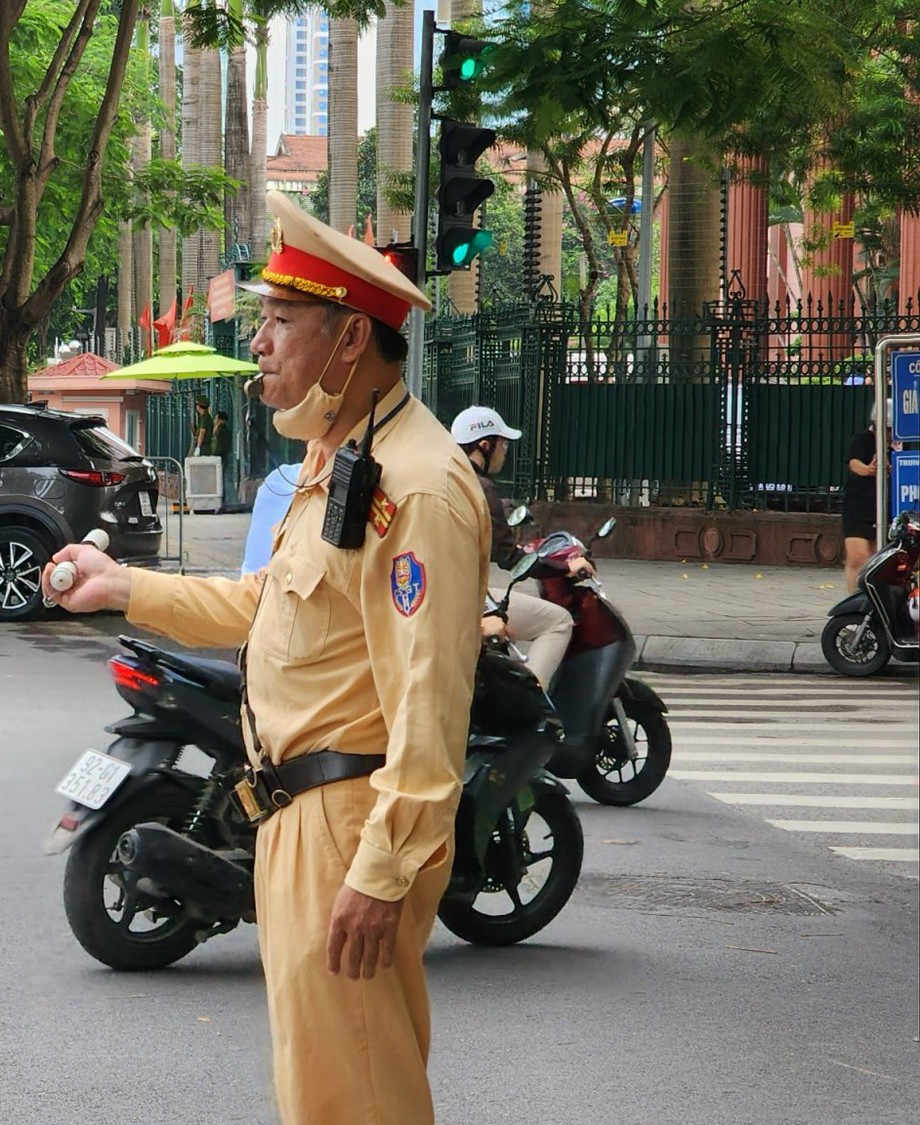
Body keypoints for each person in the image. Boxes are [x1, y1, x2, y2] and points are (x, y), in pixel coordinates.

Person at [43, 189, 486, 1124]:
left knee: (356, 1096)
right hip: (295, 816)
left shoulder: (417, 485)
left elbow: (430, 703)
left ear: (350, 338)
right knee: (322, 1089)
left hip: (349, 823)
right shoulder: (341, 455)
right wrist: (122, 585)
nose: (260, 343)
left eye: (282, 320)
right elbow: (263, 606)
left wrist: (380, 869)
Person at [450, 405, 589, 687]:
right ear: (484, 445)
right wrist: (565, 567)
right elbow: (509, 557)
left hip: (445, 590)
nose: (505, 452)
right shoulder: (480, 487)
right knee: (558, 622)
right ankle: (532, 698)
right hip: (464, 597)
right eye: (503, 445)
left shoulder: (450, 478)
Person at [843, 405, 890, 591]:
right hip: (859, 505)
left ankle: (875, 597)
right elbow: (854, 463)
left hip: (884, 505)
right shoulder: (862, 440)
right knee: (858, 556)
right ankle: (855, 598)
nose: (889, 433)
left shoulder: (899, 444)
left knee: (878, 557)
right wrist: (869, 470)